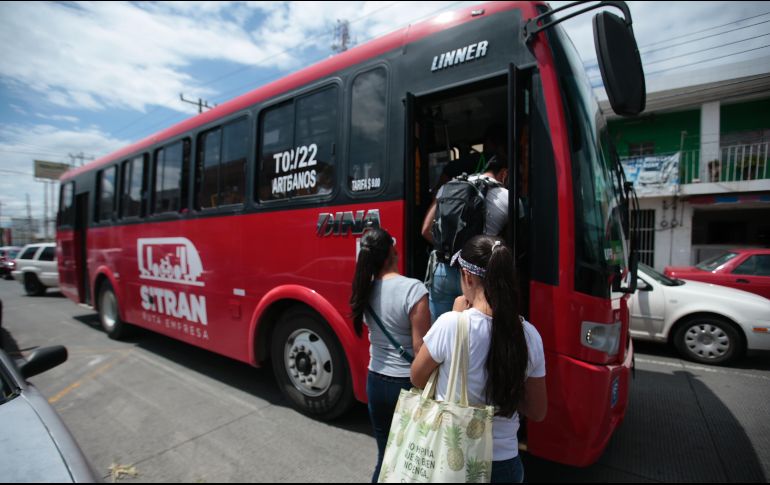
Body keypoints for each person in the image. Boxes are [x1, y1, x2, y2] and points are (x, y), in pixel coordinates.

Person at [410, 236, 547, 483]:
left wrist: (455, 316)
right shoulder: (530, 335)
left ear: (468, 276)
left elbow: (417, 378)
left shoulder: (451, 324)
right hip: (506, 465)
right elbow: (537, 411)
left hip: (455, 461)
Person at [349, 227, 431, 483]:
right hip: (405, 384)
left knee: (386, 456)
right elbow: (421, 350)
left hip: (376, 380)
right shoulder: (413, 289)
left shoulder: (363, 290)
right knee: (410, 459)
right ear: (391, 254)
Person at [421, 148, 509, 322]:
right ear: (505, 173)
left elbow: (425, 230)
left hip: (442, 271)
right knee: (472, 335)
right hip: (475, 277)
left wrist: (450, 253)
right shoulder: (507, 198)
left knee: (441, 335)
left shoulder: (451, 187)